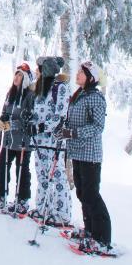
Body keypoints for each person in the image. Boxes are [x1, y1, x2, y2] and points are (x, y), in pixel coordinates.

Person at [55, 60, 112, 253]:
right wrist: (63, 129)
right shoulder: (79, 95)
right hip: (77, 152)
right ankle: (89, 231)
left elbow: (98, 127)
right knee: (82, 193)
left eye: (82, 72)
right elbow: (72, 119)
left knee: (91, 194)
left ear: (90, 78)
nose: (78, 74)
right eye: (79, 71)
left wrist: (72, 133)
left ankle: (102, 238)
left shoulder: (95, 97)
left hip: (90, 154)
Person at [29, 56, 71, 227]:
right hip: (38, 141)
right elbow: (37, 112)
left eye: (39, 68)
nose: (37, 71)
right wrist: (30, 122)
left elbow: (60, 114)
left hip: (54, 140)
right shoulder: (41, 88)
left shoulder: (61, 87)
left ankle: (62, 213)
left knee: (57, 175)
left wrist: (43, 127)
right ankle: (42, 208)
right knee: (42, 174)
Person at [0, 63, 35, 214]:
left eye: (20, 75)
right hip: (8, 140)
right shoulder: (11, 94)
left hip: (23, 141)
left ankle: (22, 200)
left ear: (26, 79)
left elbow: (28, 119)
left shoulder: (30, 96)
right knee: (2, 166)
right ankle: (0, 195)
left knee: (22, 170)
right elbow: (5, 111)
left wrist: (11, 124)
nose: (16, 77)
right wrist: (1, 120)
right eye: (16, 74)